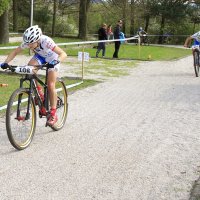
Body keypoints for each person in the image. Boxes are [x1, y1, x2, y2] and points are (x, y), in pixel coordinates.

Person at [1, 25, 67, 126]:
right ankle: (39, 93)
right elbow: (15, 52)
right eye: (28, 44)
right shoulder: (28, 42)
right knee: (29, 68)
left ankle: (53, 114)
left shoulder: (46, 41)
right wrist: (6, 62)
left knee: (50, 84)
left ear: (38, 39)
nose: (29, 46)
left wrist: (56, 62)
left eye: (31, 44)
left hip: (53, 58)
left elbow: (63, 54)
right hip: (40, 56)